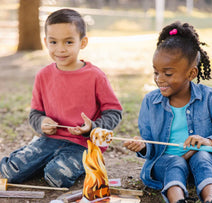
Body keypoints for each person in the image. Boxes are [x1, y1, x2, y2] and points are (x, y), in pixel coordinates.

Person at [0, 9, 122, 188]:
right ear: (46, 42)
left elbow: (114, 112)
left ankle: (83, 163)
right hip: (49, 140)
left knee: (57, 176)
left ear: (83, 42)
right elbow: (35, 113)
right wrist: (41, 122)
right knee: (8, 172)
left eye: (69, 42)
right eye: (53, 42)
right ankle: (42, 162)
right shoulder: (43, 75)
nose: (60, 49)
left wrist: (92, 127)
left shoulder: (95, 76)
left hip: (83, 145)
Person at [124, 21, 212, 203]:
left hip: (200, 163)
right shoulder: (150, 102)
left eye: (167, 74)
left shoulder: (208, 97)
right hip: (164, 164)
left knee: (203, 157)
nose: (159, 79)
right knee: (174, 162)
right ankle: (177, 200)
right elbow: (150, 145)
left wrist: (208, 141)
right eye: (156, 72)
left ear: (191, 74)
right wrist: (143, 146)